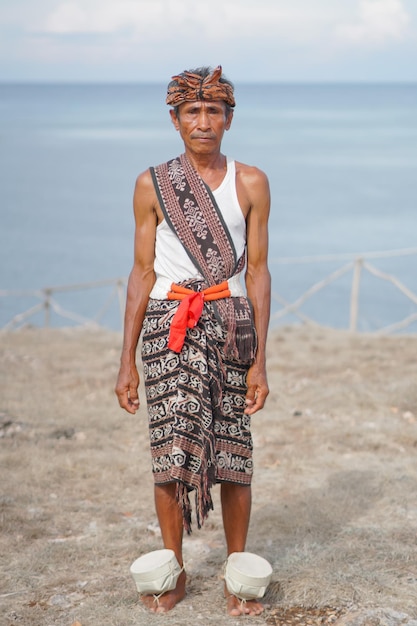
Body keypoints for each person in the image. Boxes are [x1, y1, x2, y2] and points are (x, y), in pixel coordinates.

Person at [115, 65, 271, 616]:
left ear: (229, 119)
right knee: (170, 452)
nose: (203, 122)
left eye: (213, 112)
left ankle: (238, 572)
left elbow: (257, 272)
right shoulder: (151, 184)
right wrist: (126, 360)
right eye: (192, 112)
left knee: (234, 451)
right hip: (168, 325)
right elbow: (140, 273)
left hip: (230, 324)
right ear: (176, 120)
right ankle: (172, 570)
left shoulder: (251, 181)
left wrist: (261, 364)